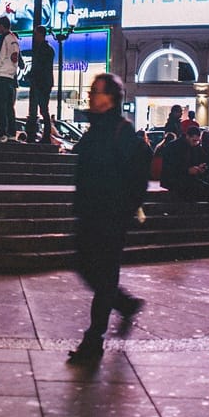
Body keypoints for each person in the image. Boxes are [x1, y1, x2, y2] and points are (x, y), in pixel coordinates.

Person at [67, 72, 151, 364]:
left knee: (102, 278)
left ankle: (93, 340)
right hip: (90, 214)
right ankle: (125, 304)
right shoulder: (96, 130)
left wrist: (124, 208)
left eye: (96, 92)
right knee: (86, 268)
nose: (91, 96)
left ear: (111, 98)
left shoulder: (122, 131)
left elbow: (140, 172)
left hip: (110, 218)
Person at [0, 16, 21, 141]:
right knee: (9, 107)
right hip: (11, 76)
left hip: (1, 75)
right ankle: (11, 132)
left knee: (0, 106)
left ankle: (2, 132)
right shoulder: (14, 38)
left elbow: (0, 56)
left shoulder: (4, 38)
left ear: (2, 25)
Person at [24, 25, 55, 143]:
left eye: (36, 34)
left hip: (41, 83)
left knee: (40, 109)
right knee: (42, 109)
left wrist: (30, 75)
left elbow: (39, 67)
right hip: (43, 82)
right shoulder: (46, 49)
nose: (34, 36)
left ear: (41, 34)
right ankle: (43, 135)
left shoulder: (43, 50)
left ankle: (40, 134)